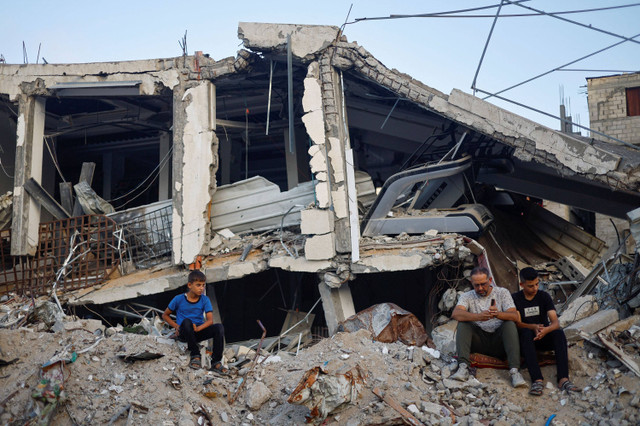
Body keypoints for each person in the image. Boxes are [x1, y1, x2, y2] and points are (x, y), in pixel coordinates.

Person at [450, 266, 527, 388]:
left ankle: (514, 372)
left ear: (490, 280)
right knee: (463, 323)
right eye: (476, 285)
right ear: (472, 283)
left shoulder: (502, 293)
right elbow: (456, 314)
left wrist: (498, 314)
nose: (480, 288)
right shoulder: (467, 296)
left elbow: (514, 316)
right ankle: (463, 367)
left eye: (483, 284)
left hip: (499, 341)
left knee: (509, 324)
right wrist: (478, 317)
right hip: (479, 341)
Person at [512, 267, 581, 396]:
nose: (535, 288)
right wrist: (533, 327)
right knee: (526, 334)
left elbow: (555, 322)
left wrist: (545, 330)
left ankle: (563, 379)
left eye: (537, 284)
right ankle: (537, 380)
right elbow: (518, 323)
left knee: (559, 333)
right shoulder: (515, 298)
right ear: (521, 285)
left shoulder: (544, 296)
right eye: (530, 286)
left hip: (543, 334)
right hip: (527, 338)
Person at [162, 270, 227, 373]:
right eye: (198, 285)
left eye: (203, 285)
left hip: (197, 331)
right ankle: (195, 355)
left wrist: (198, 328)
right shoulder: (178, 299)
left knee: (219, 327)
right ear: (189, 285)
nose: (201, 288)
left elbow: (210, 321)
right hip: (184, 332)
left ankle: (216, 362)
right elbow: (165, 315)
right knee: (187, 321)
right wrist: (177, 327)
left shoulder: (205, 300)